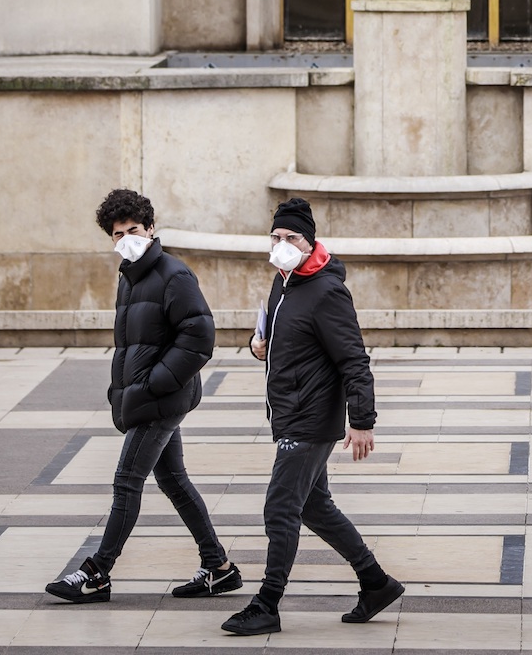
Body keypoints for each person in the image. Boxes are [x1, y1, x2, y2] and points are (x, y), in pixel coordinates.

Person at [45, 189, 242, 603]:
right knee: (173, 480)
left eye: (133, 230)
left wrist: (154, 384)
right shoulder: (130, 277)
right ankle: (218, 567)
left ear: (151, 228)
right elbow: (132, 344)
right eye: (118, 234)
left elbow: (200, 336)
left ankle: (97, 572)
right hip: (146, 396)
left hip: (161, 399)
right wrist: (120, 389)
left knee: (126, 480)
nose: (126, 239)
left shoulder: (174, 274)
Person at [220, 197, 405, 636]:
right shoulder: (282, 282)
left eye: (292, 238)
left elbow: (354, 361)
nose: (282, 244)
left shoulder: (326, 291)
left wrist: (362, 420)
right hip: (289, 412)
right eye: (276, 237)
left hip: (310, 418)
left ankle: (267, 602)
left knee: (280, 508)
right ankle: (376, 583)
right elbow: (278, 335)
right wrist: (255, 345)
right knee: (315, 507)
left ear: (310, 242)